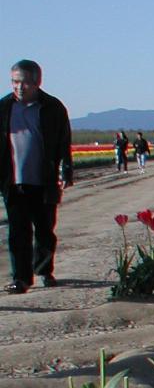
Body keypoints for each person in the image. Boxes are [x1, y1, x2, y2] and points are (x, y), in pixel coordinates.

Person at [0, 60, 72, 294]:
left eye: (24, 82)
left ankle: (43, 269)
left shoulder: (52, 107)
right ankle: (21, 278)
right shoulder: (4, 107)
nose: (19, 87)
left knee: (44, 230)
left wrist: (66, 169)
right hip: (13, 181)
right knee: (18, 231)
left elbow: (63, 141)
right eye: (15, 82)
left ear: (37, 82)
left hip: (44, 180)